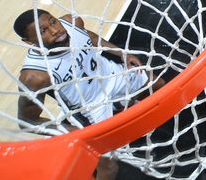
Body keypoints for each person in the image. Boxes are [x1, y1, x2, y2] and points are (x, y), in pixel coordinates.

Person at [14, 9, 166, 180]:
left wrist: (122, 53)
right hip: (90, 106)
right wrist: (73, 131)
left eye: (52, 21)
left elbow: (90, 38)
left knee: (157, 85)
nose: (55, 30)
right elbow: (26, 121)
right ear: (29, 42)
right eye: (43, 31)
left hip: (110, 75)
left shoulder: (72, 23)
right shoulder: (35, 76)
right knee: (109, 167)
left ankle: (125, 104)